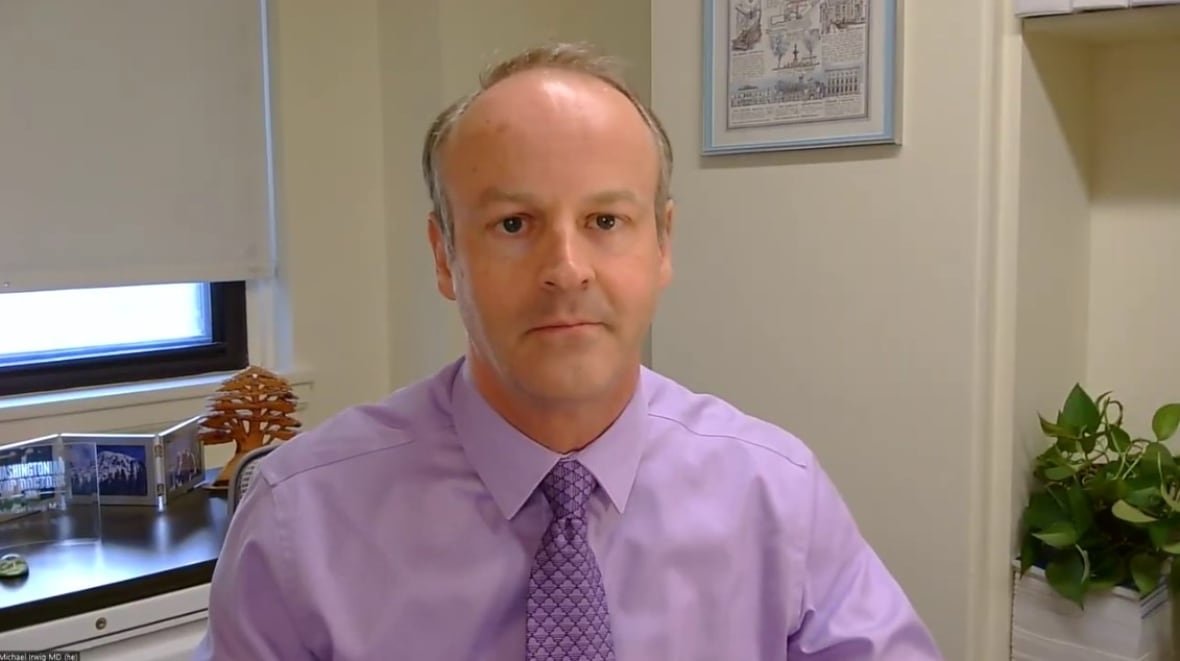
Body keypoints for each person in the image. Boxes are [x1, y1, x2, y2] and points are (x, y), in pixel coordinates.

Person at [193, 42, 942, 660]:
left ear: (663, 244)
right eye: (514, 224)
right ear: (444, 254)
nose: (566, 268)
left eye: (606, 220)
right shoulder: (301, 521)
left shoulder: (777, 497)